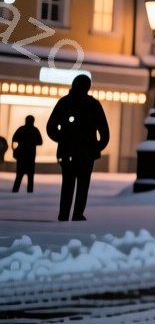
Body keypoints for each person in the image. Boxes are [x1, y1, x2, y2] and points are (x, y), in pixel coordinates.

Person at [46, 73, 108, 221]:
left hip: (69, 151)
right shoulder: (93, 104)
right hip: (85, 153)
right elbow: (104, 132)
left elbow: (51, 128)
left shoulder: (65, 102)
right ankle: (77, 213)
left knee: (68, 183)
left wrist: (63, 139)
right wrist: (96, 147)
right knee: (82, 184)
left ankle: (65, 213)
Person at [11, 115, 43, 193]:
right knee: (30, 176)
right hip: (30, 156)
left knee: (19, 175)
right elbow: (40, 142)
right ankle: (29, 191)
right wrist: (32, 143)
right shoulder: (35, 130)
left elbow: (14, 139)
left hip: (21, 156)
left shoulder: (21, 129)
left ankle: (15, 190)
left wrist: (16, 148)